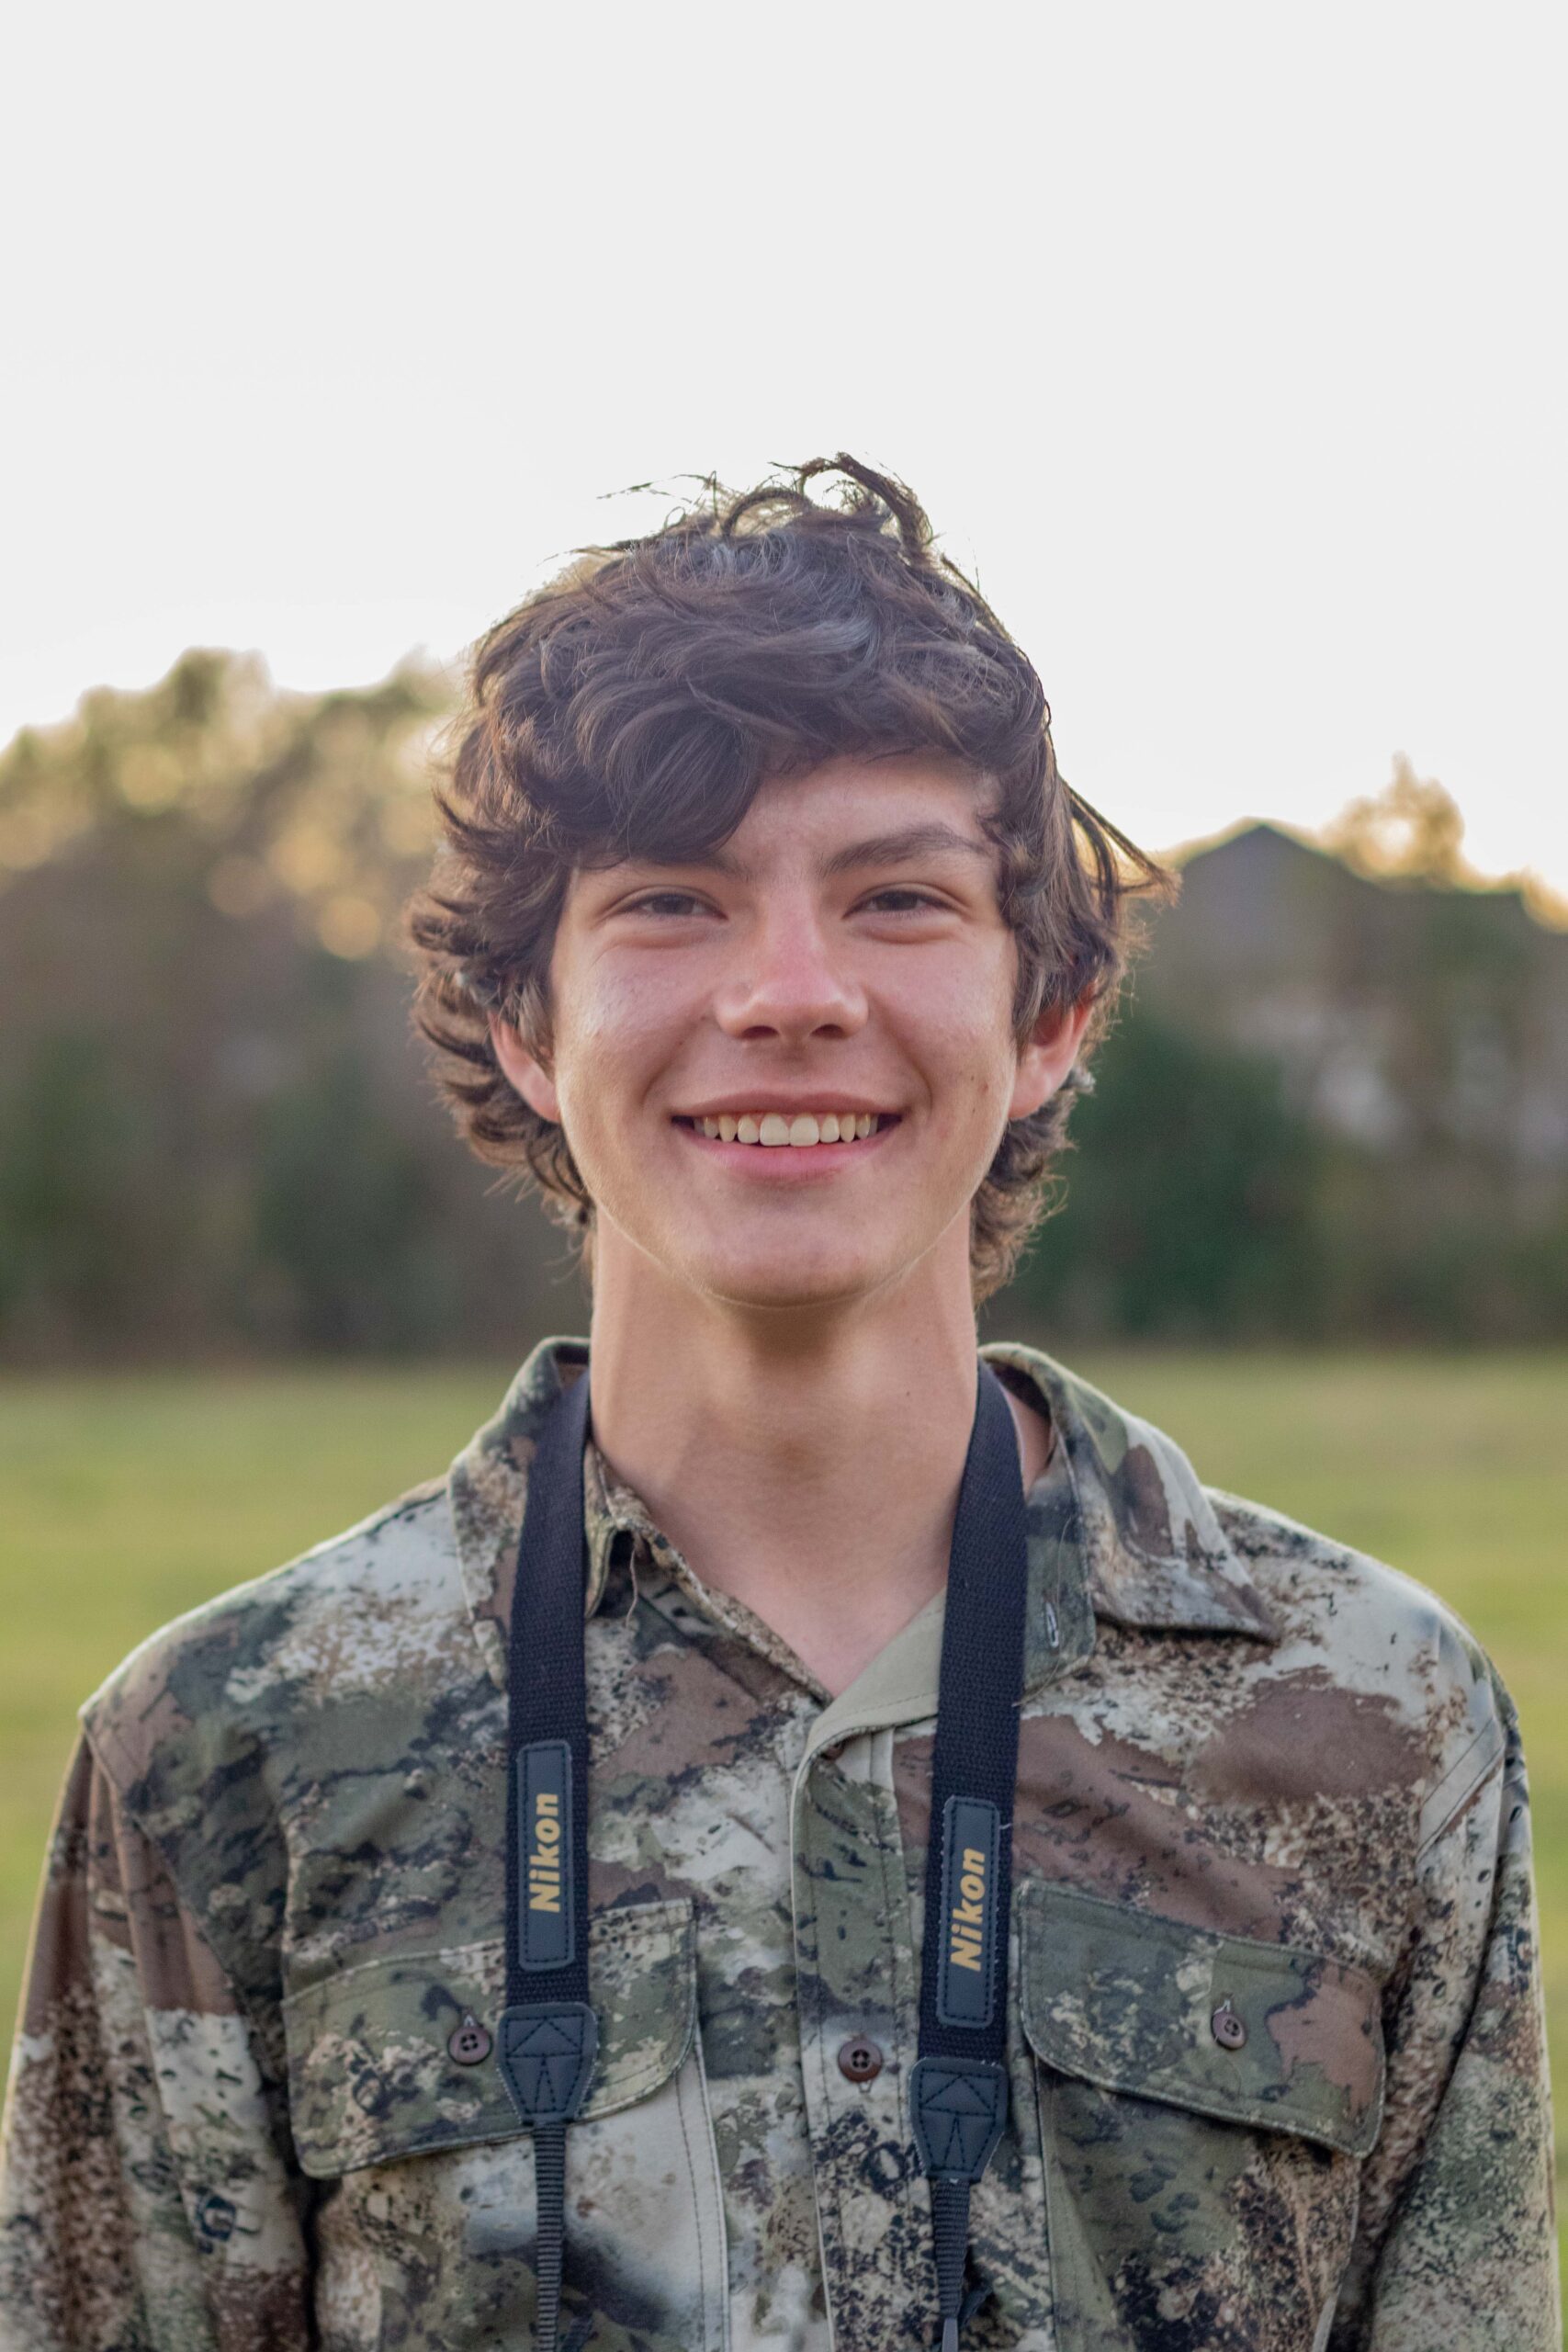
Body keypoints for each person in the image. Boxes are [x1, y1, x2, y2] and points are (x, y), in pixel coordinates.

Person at [0, 458, 1556, 2352]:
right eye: (671, 899)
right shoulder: (221, 1751)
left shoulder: (1381, 1723)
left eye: (895, 896)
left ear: (1048, 1007)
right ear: (525, 1017)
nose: (789, 991)